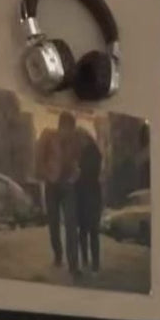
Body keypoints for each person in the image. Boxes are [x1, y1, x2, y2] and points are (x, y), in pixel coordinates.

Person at [34, 111, 82, 280]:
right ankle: (58, 255)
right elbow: (39, 158)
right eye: (68, 128)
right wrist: (46, 174)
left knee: (71, 225)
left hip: (67, 186)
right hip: (52, 185)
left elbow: (77, 162)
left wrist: (74, 176)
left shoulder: (74, 141)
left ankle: (74, 265)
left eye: (72, 129)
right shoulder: (48, 136)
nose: (70, 132)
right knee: (53, 224)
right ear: (61, 127)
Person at [76, 129, 103, 274]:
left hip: (89, 195)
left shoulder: (91, 152)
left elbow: (88, 172)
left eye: (81, 138)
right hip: (88, 195)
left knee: (89, 231)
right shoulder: (90, 152)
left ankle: (92, 263)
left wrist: (78, 169)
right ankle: (90, 262)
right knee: (88, 232)